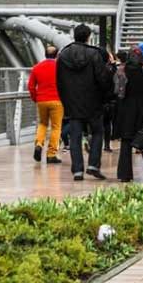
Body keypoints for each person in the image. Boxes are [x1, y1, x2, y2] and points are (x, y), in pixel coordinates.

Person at [56, 24, 111, 181]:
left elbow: (59, 81)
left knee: (75, 136)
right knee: (98, 132)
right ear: (88, 37)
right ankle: (93, 165)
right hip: (93, 102)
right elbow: (102, 79)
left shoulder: (64, 55)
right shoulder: (94, 54)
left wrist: (65, 101)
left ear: (74, 36)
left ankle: (78, 170)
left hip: (73, 103)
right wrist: (105, 97)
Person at [115, 47, 143, 182]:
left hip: (125, 110)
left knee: (126, 141)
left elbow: (116, 91)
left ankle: (124, 174)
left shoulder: (121, 70)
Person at [28, 46, 63, 164]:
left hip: (42, 100)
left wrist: (35, 98)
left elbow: (31, 86)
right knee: (56, 127)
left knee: (42, 124)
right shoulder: (60, 67)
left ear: (45, 54)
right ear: (57, 55)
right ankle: (51, 154)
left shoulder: (36, 67)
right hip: (57, 100)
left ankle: (38, 144)